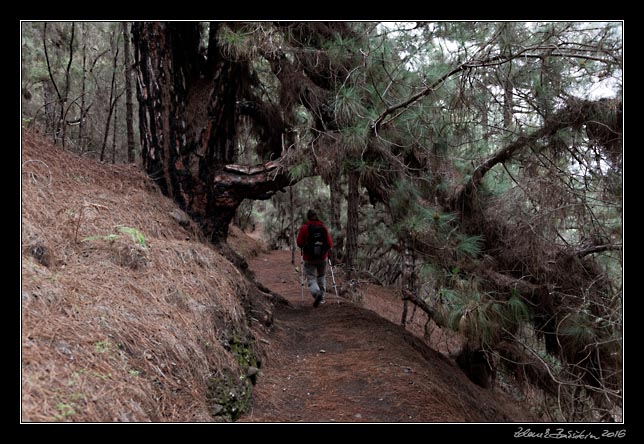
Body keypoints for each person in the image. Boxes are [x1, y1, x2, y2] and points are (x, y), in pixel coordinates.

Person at [296, 209, 333, 308]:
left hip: (309, 257)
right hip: (322, 257)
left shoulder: (304, 228)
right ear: (316, 216)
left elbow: (299, 243)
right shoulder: (323, 227)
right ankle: (322, 297)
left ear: (308, 217)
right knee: (321, 276)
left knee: (311, 278)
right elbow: (329, 243)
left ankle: (317, 293)